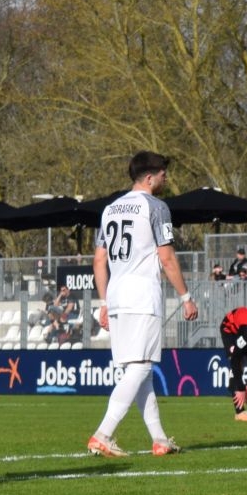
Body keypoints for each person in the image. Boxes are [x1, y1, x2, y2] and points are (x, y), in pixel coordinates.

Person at [88, 152, 198, 460]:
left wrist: (104, 301)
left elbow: (99, 260)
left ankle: (159, 439)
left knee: (141, 372)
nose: (166, 179)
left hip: (118, 296)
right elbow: (166, 257)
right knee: (140, 368)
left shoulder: (109, 209)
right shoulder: (156, 207)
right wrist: (186, 297)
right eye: (163, 174)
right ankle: (103, 434)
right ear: (149, 178)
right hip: (142, 296)